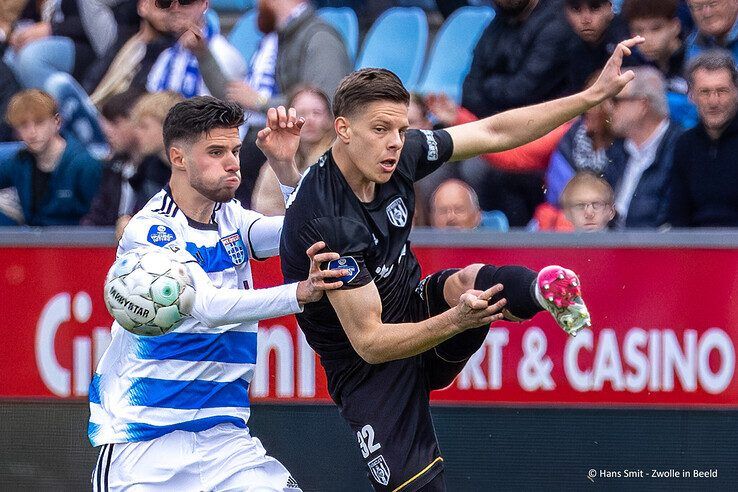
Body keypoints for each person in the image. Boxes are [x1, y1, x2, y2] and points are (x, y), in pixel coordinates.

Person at [276, 35, 641, 490]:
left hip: (414, 306)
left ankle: (542, 289)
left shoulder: (398, 154)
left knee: (467, 281)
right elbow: (370, 342)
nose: (395, 143)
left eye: (401, 129)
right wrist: (456, 319)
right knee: (422, 485)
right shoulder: (328, 220)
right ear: (343, 129)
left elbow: (494, 132)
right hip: (368, 369)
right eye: (380, 130)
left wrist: (587, 98)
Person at [89, 96, 347, 491]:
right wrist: (301, 291)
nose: (232, 162)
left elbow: (308, 230)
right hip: (146, 444)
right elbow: (209, 307)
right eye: (215, 152)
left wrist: (283, 165)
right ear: (178, 157)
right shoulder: (152, 230)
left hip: (225, 442)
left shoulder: (232, 219)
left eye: (235, 150)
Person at [462, 0, 578, 118]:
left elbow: (523, 93)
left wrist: (488, 85)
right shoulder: (500, 20)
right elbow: (470, 90)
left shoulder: (556, 21)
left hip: (545, 122)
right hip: (496, 120)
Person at [0, 88, 100, 225]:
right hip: (34, 242)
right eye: (23, 125)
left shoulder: (85, 165)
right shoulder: (20, 161)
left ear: (57, 122)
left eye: (39, 122)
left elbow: (101, 218)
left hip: (75, 243)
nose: (32, 132)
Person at [604, 66, 682, 228]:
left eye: (616, 101)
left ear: (642, 105)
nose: (608, 108)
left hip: (654, 248)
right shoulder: (616, 150)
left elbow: (669, 219)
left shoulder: (681, 148)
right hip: (610, 247)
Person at [668, 49, 738, 226]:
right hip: (695, 247)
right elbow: (678, 215)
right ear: (691, 95)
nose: (714, 101)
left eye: (721, 91)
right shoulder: (685, 145)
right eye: (705, 92)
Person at [252, 86, 335, 216]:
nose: (309, 120)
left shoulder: (338, 157)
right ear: (288, 118)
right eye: (301, 114)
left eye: (317, 113)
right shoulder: (275, 160)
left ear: (330, 118)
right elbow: (263, 208)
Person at [621, 0, 697, 128]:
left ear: (675, 27)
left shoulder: (695, 61)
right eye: (639, 30)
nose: (646, 39)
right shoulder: (633, 64)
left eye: (656, 29)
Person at [81, 89, 143, 226]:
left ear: (138, 122)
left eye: (115, 123)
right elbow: (97, 214)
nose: (107, 132)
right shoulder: (113, 167)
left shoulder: (158, 172)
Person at [564, 0, 641, 93]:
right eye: (576, 9)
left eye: (595, 8)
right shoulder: (562, 44)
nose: (586, 19)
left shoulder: (627, 33)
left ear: (610, 8)